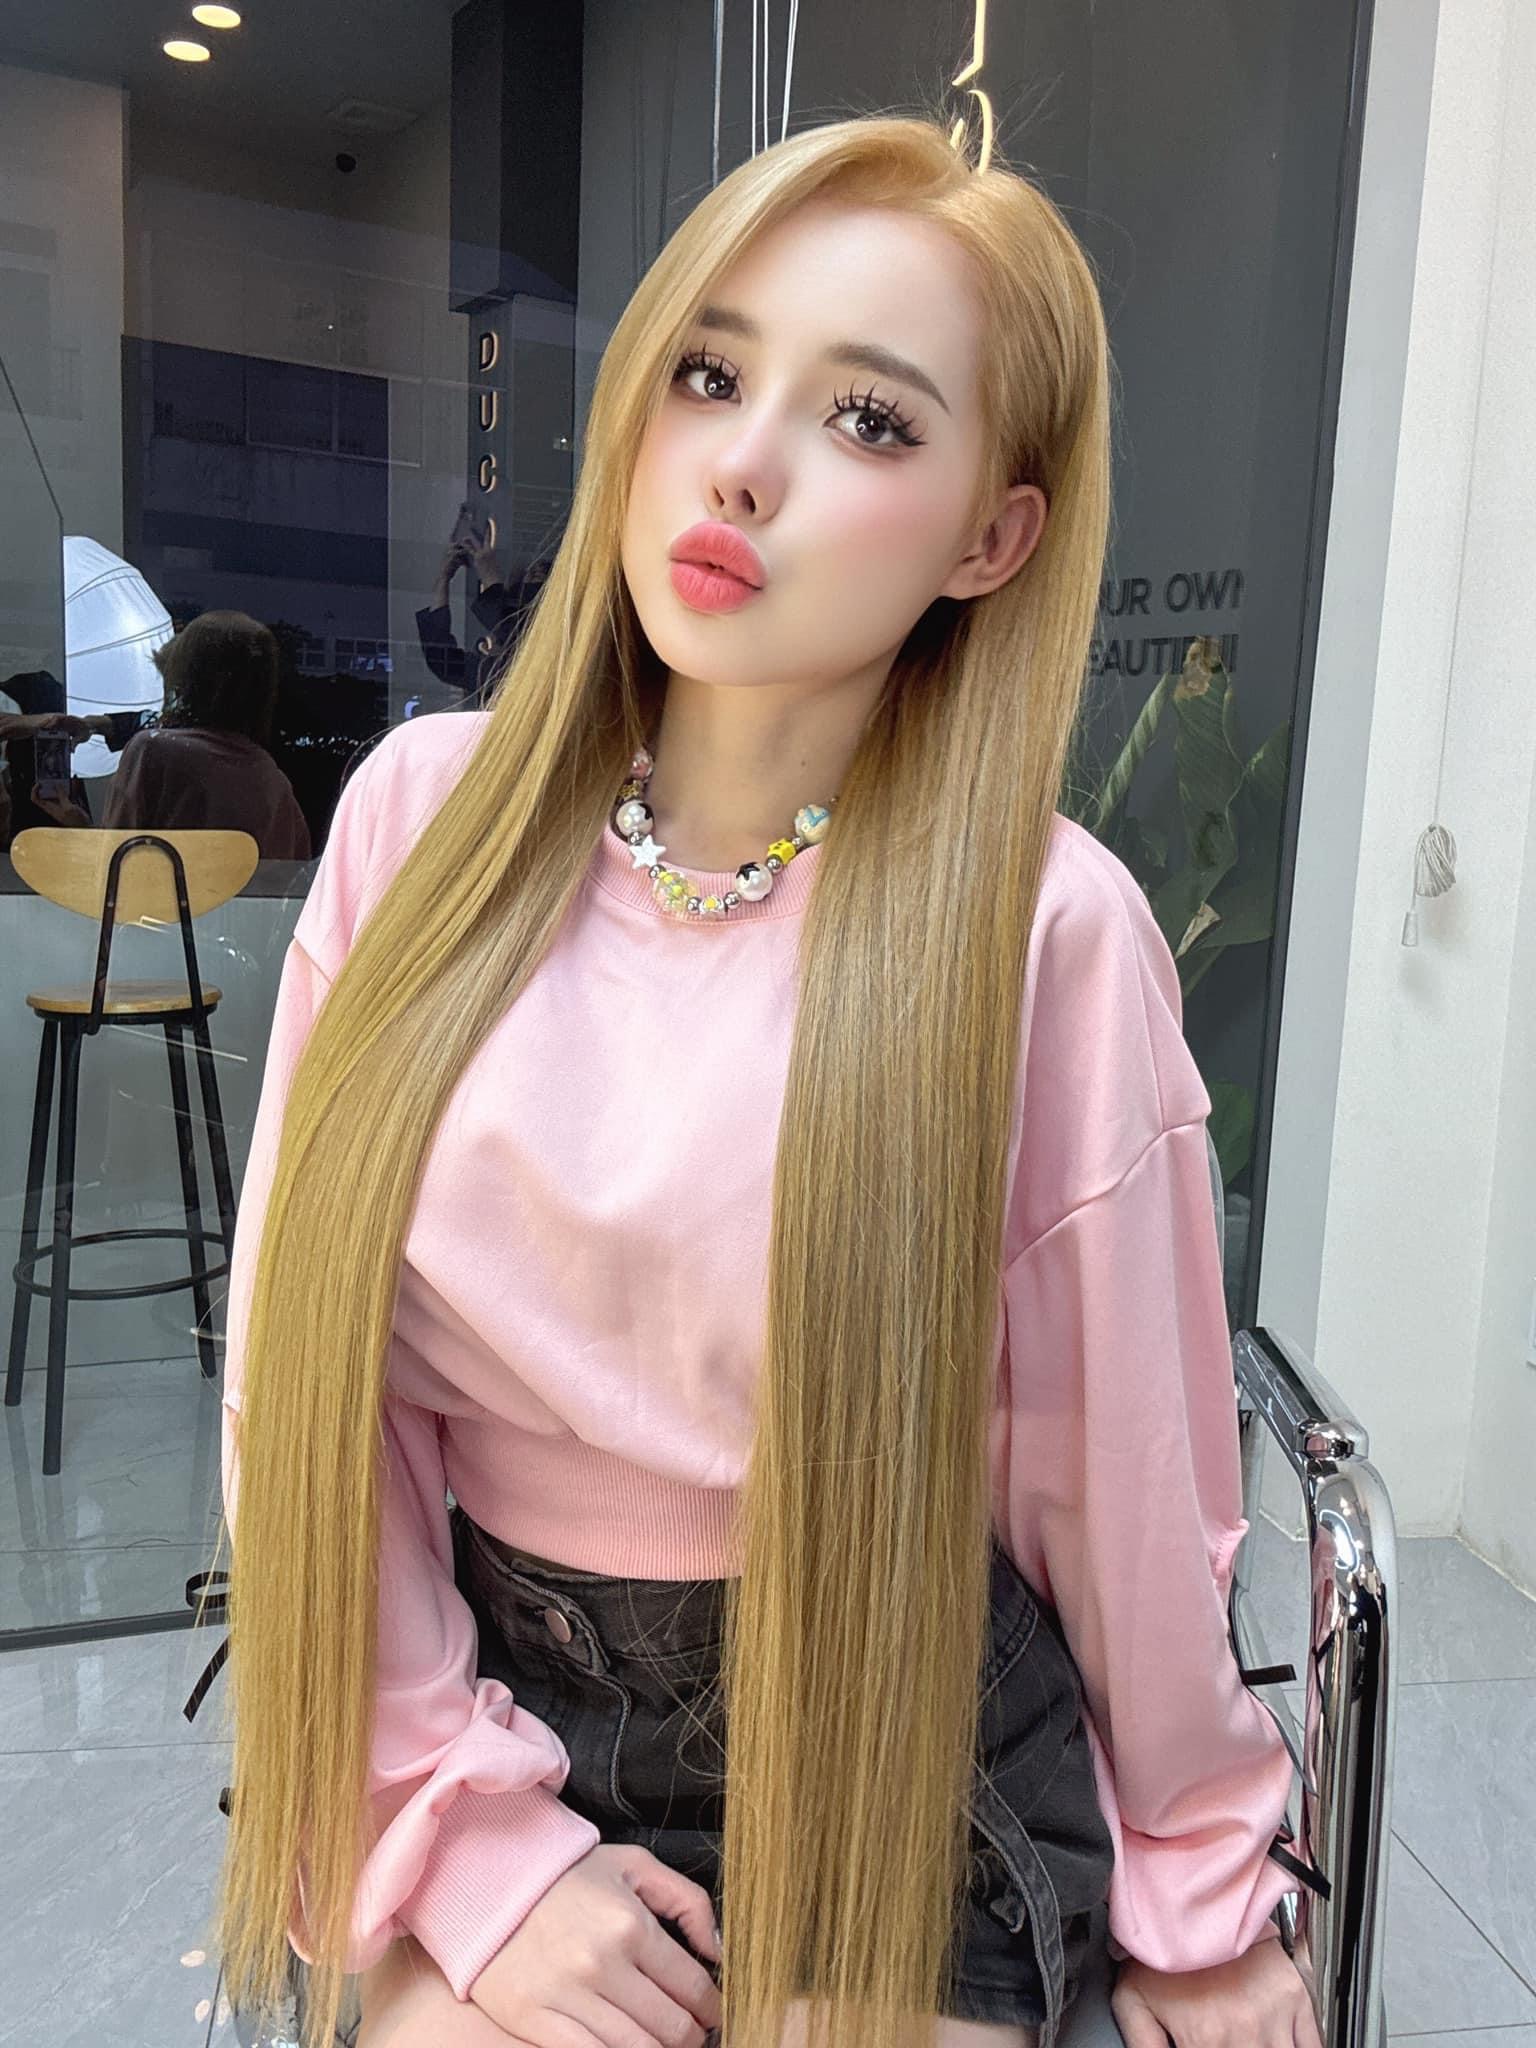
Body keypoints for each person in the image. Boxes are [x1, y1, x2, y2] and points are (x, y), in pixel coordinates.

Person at [211, 115, 1324, 2048]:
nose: (743, 460)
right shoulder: (419, 826)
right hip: (482, 1695)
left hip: (897, 1735)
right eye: (711, 374)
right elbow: (307, 1385)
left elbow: (1123, 1479)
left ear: (989, 539)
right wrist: (463, 1833)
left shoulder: (1039, 929)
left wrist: (1208, 1901)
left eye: (871, 420)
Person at [28, 612, 311, 859]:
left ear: (187, 680)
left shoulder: (151, 752)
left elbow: (116, 863)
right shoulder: (273, 781)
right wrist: (97, 724)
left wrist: (76, 823)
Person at [415, 531, 545, 705]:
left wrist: (489, 576)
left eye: (535, 578)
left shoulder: (543, 659)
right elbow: (444, 662)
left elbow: (515, 629)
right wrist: (443, 580)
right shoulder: (503, 672)